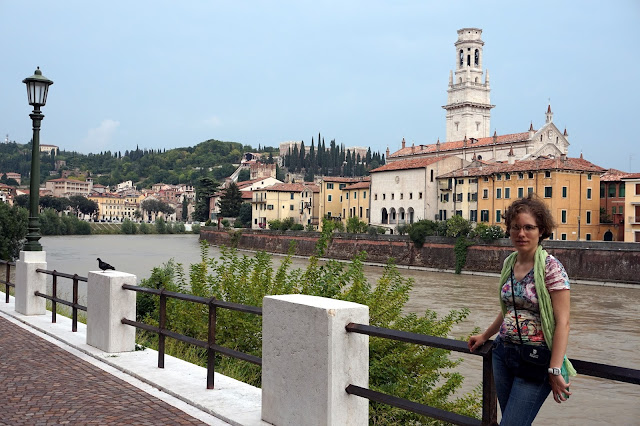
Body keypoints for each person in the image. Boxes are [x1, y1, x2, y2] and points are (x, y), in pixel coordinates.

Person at [468, 194, 576, 425]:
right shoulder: (509, 263)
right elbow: (509, 309)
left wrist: (555, 369)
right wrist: (485, 336)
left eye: (529, 227)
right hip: (503, 354)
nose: (521, 233)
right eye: (515, 227)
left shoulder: (551, 267)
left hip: (536, 357)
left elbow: (563, 322)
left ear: (541, 230)